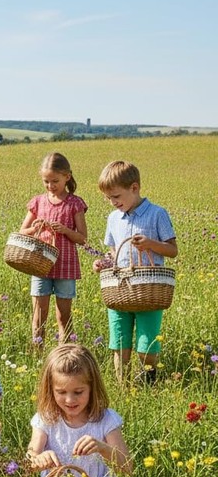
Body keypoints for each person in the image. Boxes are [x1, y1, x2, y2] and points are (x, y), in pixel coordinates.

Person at [92, 160, 177, 383]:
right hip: (120, 288)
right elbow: (114, 253)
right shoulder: (113, 219)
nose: (112, 202)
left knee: (146, 344)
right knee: (119, 343)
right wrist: (104, 263)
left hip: (149, 289)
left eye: (116, 197)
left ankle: (149, 380)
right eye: (109, 198)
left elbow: (172, 250)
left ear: (135, 188)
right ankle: (123, 387)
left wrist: (150, 244)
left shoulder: (157, 214)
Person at [26, 344, 132, 477]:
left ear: (92, 388)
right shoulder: (46, 418)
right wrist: (39, 459)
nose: (70, 400)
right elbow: (28, 462)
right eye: (61, 392)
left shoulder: (105, 419)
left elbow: (127, 466)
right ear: (50, 389)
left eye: (78, 392)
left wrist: (102, 448)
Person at [18, 152, 87, 347]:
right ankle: (37, 356)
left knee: (63, 316)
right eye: (46, 181)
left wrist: (65, 231)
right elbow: (22, 232)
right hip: (40, 266)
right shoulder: (38, 202)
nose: (50, 186)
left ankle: (63, 354)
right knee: (39, 315)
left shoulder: (75, 203)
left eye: (55, 181)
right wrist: (36, 227)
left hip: (65, 267)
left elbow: (82, 238)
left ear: (67, 176)